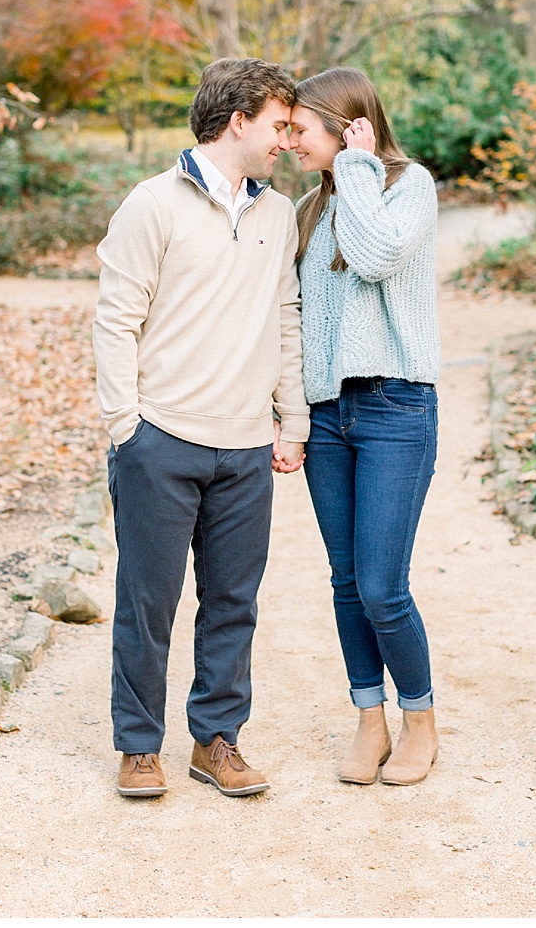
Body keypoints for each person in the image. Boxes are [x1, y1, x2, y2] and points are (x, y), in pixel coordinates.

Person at [94, 57, 308, 798]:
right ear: (239, 119)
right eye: (279, 124)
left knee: (232, 605)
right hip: (161, 441)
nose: (287, 138)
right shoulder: (151, 205)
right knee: (147, 602)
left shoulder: (277, 214)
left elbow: (285, 316)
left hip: (247, 446)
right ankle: (138, 746)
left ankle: (216, 740)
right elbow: (115, 319)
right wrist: (127, 426)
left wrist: (293, 418)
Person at [287, 67, 442, 785]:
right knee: (346, 581)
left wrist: (356, 163)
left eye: (300, 129)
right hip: (327, 417)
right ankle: (368, 719)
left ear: (346, 126)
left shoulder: (408, 186)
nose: (290, 141)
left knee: (383, 585)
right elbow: (294, 318)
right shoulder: (307, 211)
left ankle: (420, 719)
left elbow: (377, 258)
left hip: (396, 408)